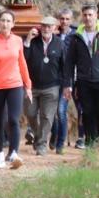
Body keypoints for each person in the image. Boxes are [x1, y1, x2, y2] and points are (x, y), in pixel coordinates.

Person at [0, 10, 32, 169]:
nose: (5, 23)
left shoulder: (17, 41)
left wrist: (28, 85)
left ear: (13, 24)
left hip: (15, 85)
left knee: (14, 120)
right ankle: (0, 154)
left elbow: (22, 63)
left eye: (8, 21)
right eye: (3, 20)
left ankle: (14, 153)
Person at [62, 2, 99, 145]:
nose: (87, 18)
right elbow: (69, 62)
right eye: (85, 15)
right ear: (82, 16)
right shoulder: (77, 36)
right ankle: (90, 144)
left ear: (96, 15)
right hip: (83, 81)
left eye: (90, 15)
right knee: (87, 113)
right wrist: (67, 85)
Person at [24, 16, 64, 156]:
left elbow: (64, 66)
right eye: (44, 26)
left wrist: (66, 86)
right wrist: (28, 40)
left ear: (54, 28)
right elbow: (24, 58)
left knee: (47, 116)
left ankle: (41, 144)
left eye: (49, 26)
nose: (46, 29)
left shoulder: (60, 44)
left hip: (52, 86)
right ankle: (37, 136)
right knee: (30, 113)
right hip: (32, 86)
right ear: (40, 27)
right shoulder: (32, 42)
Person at [51, 8, 81, 153]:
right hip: (53, 79)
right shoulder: (54, 34)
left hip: (69, 79)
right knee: (52, 111)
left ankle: (61, 143)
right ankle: (54, 136)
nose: (64, 21)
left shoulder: (76, 36)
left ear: (71, 20)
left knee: (61, 110)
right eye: (62, 18)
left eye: (67, 19)